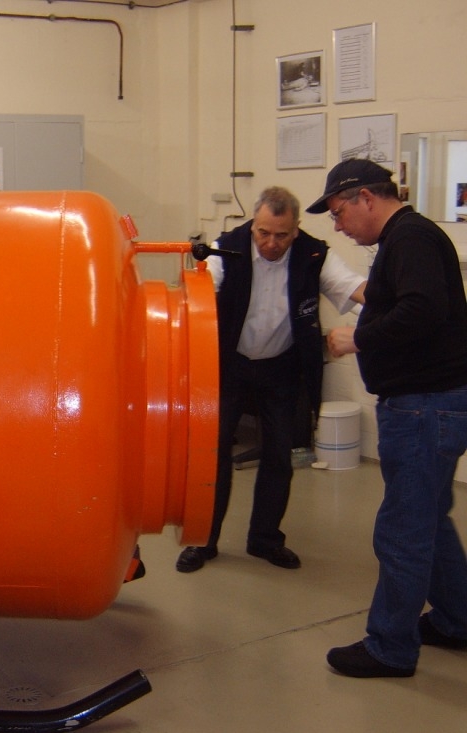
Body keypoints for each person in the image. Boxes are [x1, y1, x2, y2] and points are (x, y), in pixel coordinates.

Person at [308, 158, 467, 677]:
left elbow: (423, 309)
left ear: (366, 198)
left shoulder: (411, 238)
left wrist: (359, 337)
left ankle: (390, 648)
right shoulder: (405, 239)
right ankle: (456, 621)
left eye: (338, 212)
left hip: (423, 407)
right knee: (429, 520)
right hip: (430, 403)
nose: (338, 226)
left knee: (404, 530)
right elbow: (407, 303)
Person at [176, 186, 366, 574]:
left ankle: (264, 539)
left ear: (295, 229)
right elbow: (196, 299)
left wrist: (399, 303)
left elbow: (354, 288)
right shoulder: (226, 249)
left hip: (281, 368)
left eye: (282, 235)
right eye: (263, 233)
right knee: (212, 457)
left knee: (280, 456)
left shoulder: (314, 254)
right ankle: (202, 540)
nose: (271, 243)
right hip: (228, 366)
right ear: (253, 225)